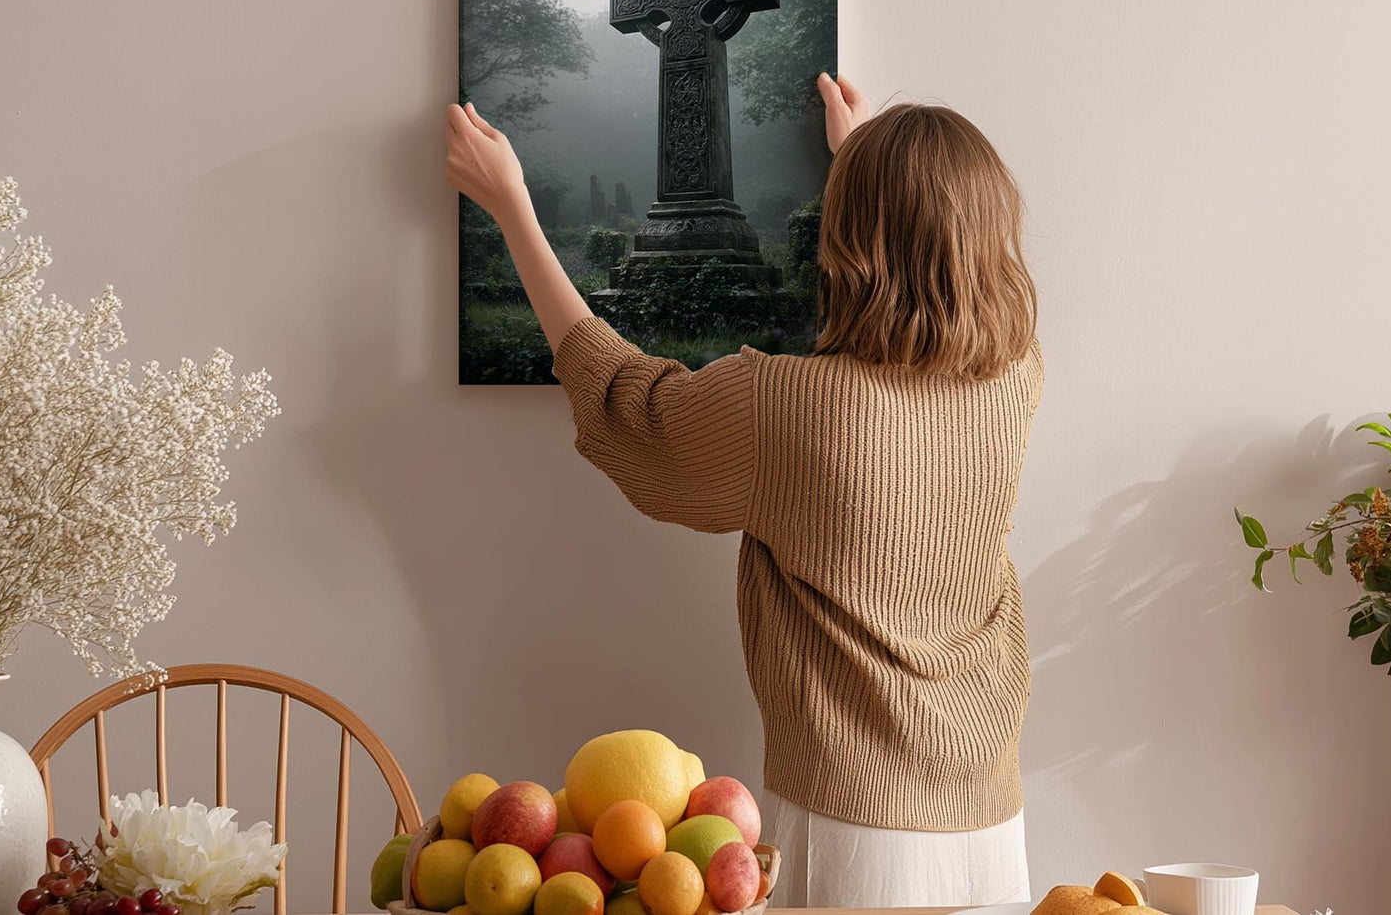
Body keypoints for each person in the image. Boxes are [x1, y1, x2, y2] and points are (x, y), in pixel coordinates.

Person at [444, 72, 1043, 908]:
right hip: (991, 817)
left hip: (852, 827)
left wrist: (512, 209)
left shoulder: (784, 406)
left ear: (849, 236)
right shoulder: (1014, 379)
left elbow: (626, 401)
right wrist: (860, 161)